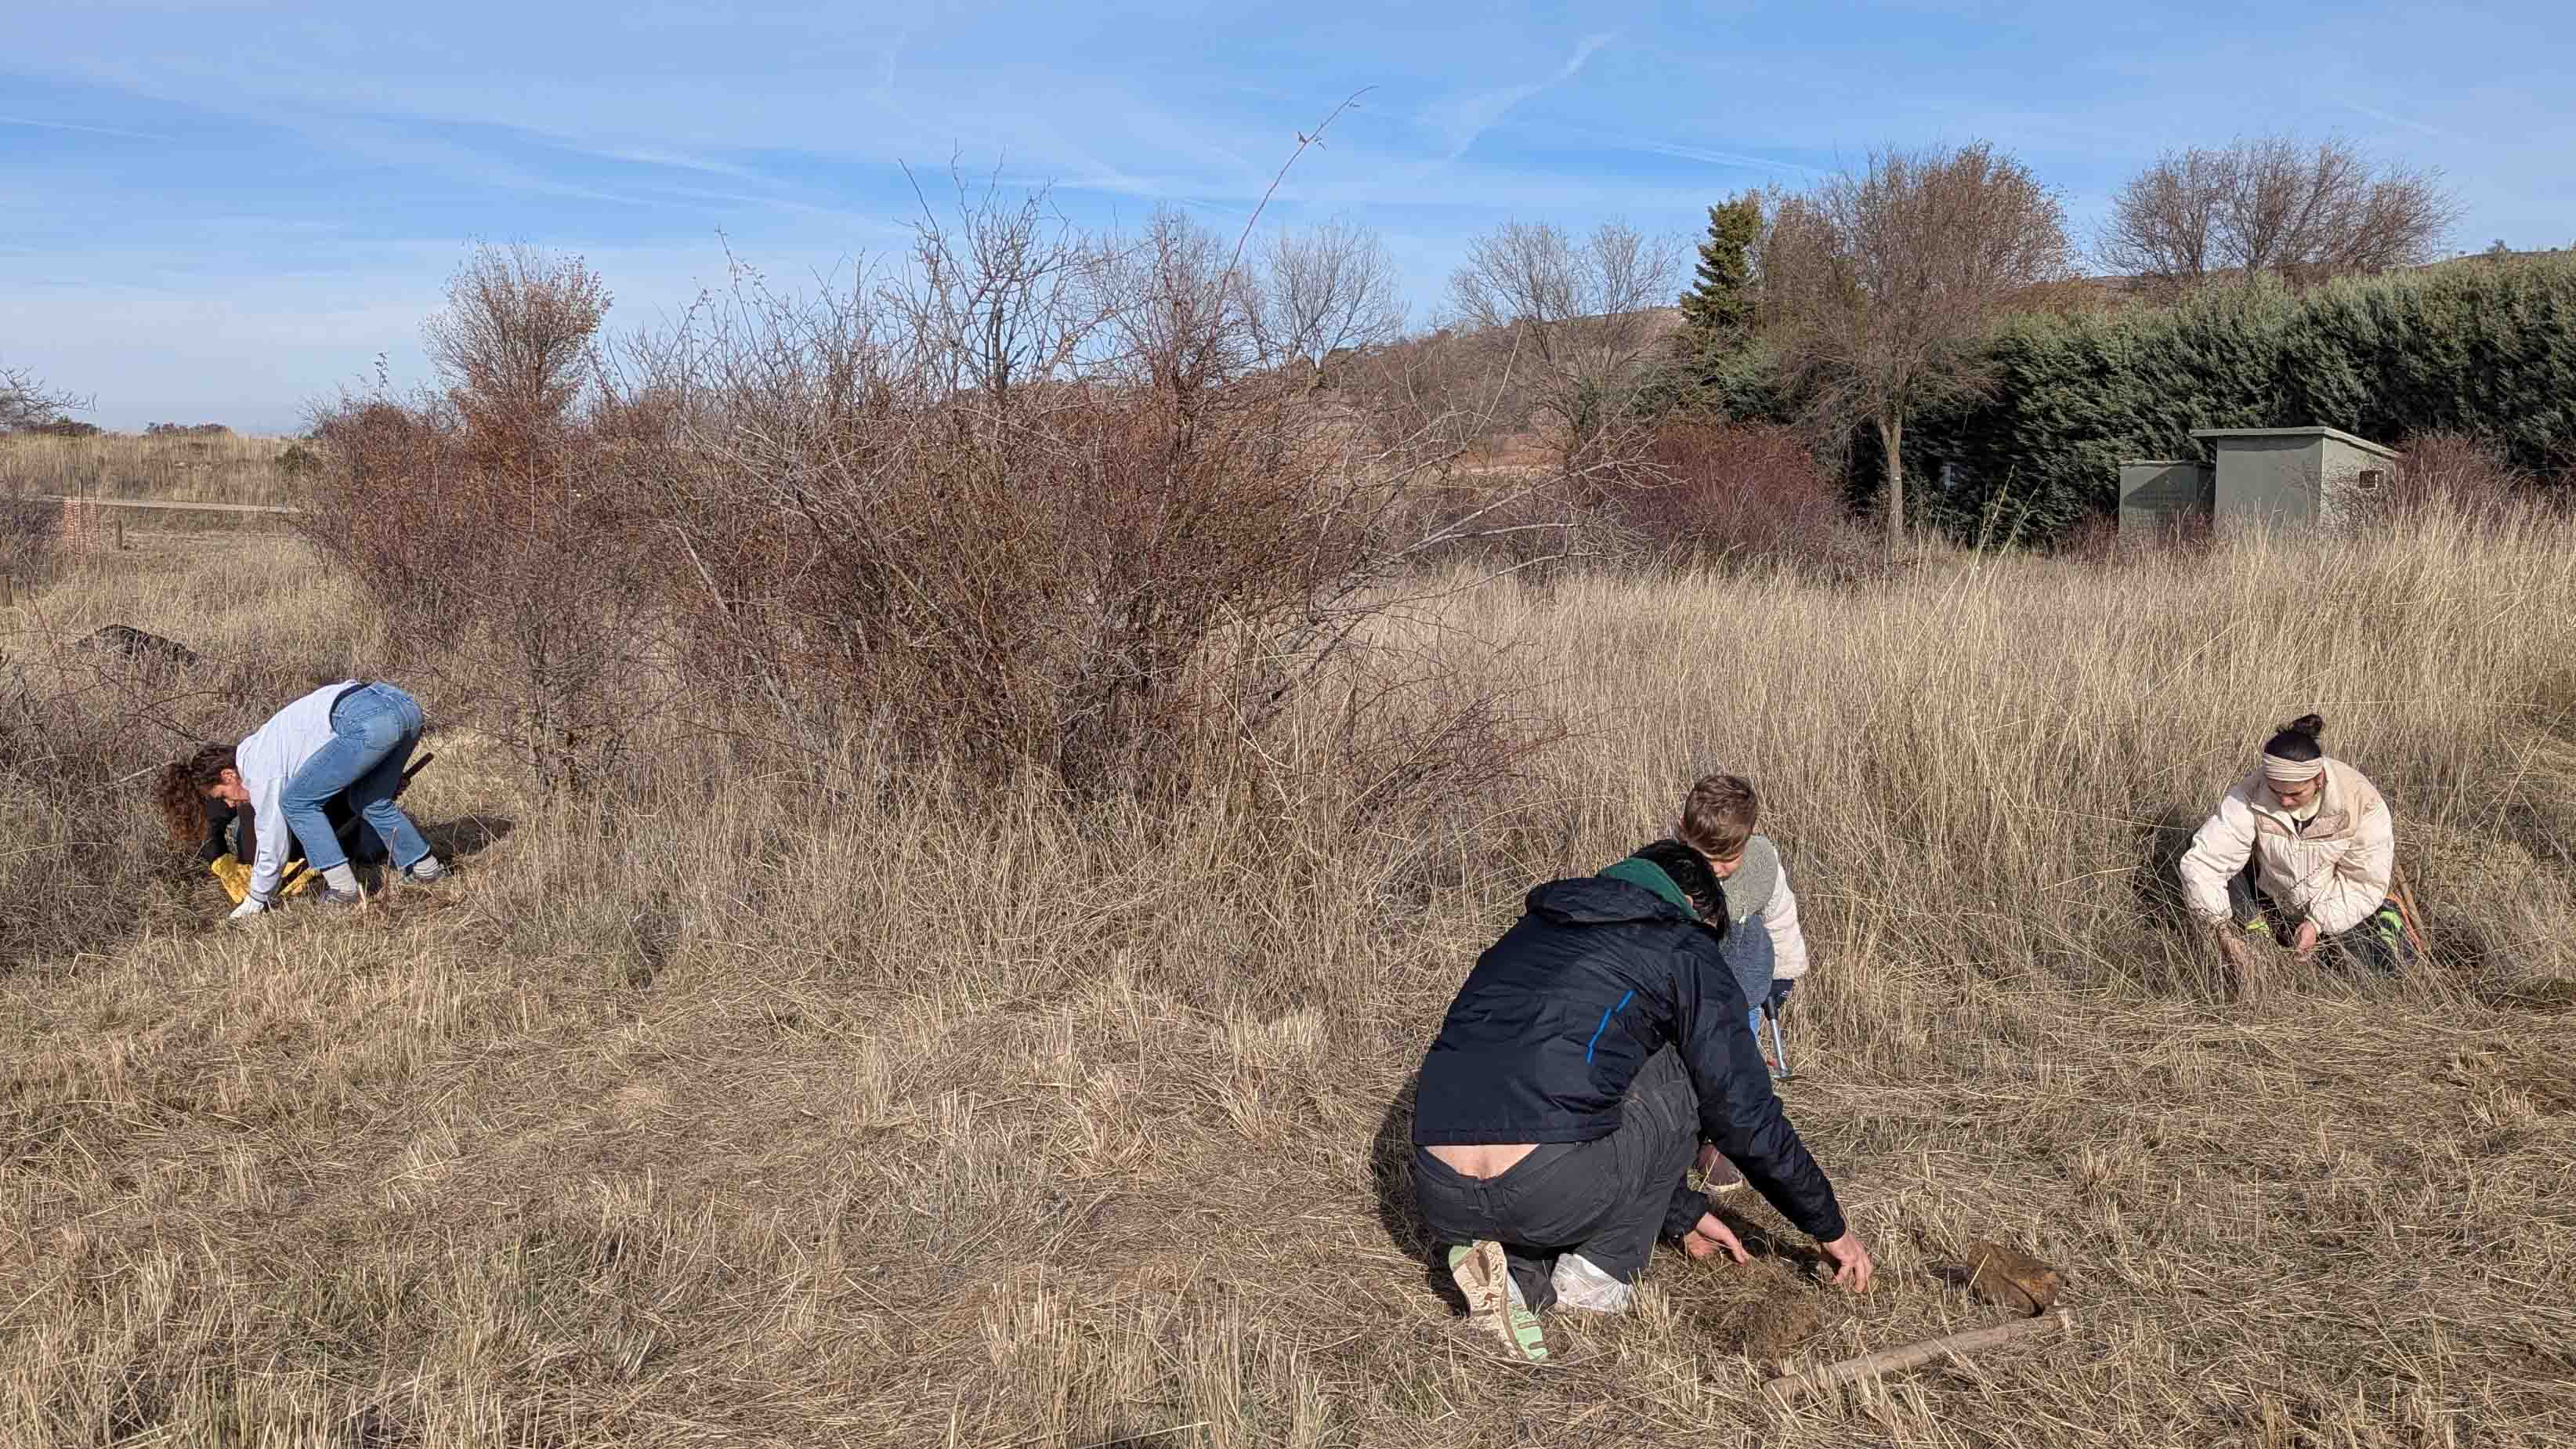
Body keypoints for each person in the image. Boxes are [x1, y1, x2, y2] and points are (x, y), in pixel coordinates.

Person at [1409, 783, 1875, 1362]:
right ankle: (1596, 1276)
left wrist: (1679, 1211)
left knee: (1600, 1074)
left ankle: (1517, 1276)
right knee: (1686, 1075)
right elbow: (1742, 1113)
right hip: (1545, 1185)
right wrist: (1829, 1224)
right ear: (1698, 909)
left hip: (1437, 1183)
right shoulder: (1684, 945)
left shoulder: (1530, 929)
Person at [152, 679, 447, 917]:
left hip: (365, 716)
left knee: (296, 802)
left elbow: (272, 839)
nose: (228, 803)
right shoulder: (267, 745)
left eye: (222, 795)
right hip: (403, 706)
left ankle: (343, 890)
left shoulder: (260, 765)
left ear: (229, 775)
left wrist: (257, 898)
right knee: (370, 800)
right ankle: (427, 871)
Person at [2178, 713, 2411, 977]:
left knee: (2369, 977)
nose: (2285, 802)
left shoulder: (2360, 800)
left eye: (2295, 794)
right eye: (2277, 792)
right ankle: (2255, 931)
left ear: (2319, 779)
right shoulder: (2251, 792)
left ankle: (2386, 919)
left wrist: (2316, 923)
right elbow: (2205, 863)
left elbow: (2364, 882)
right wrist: (2222, 933)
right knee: (2198, 843)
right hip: (2274, 896)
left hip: (2335, 900)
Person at [1686, 774, 1814, 1045]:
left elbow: (1780, 917)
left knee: (1741, 1054)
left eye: (1728, 859)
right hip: (1693, 994)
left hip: (1745, 989)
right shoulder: (1674, 865)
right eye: (1708, 859)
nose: (1716, 869)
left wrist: (1782, 973)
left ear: (1745, 842)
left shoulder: (1762, 866)